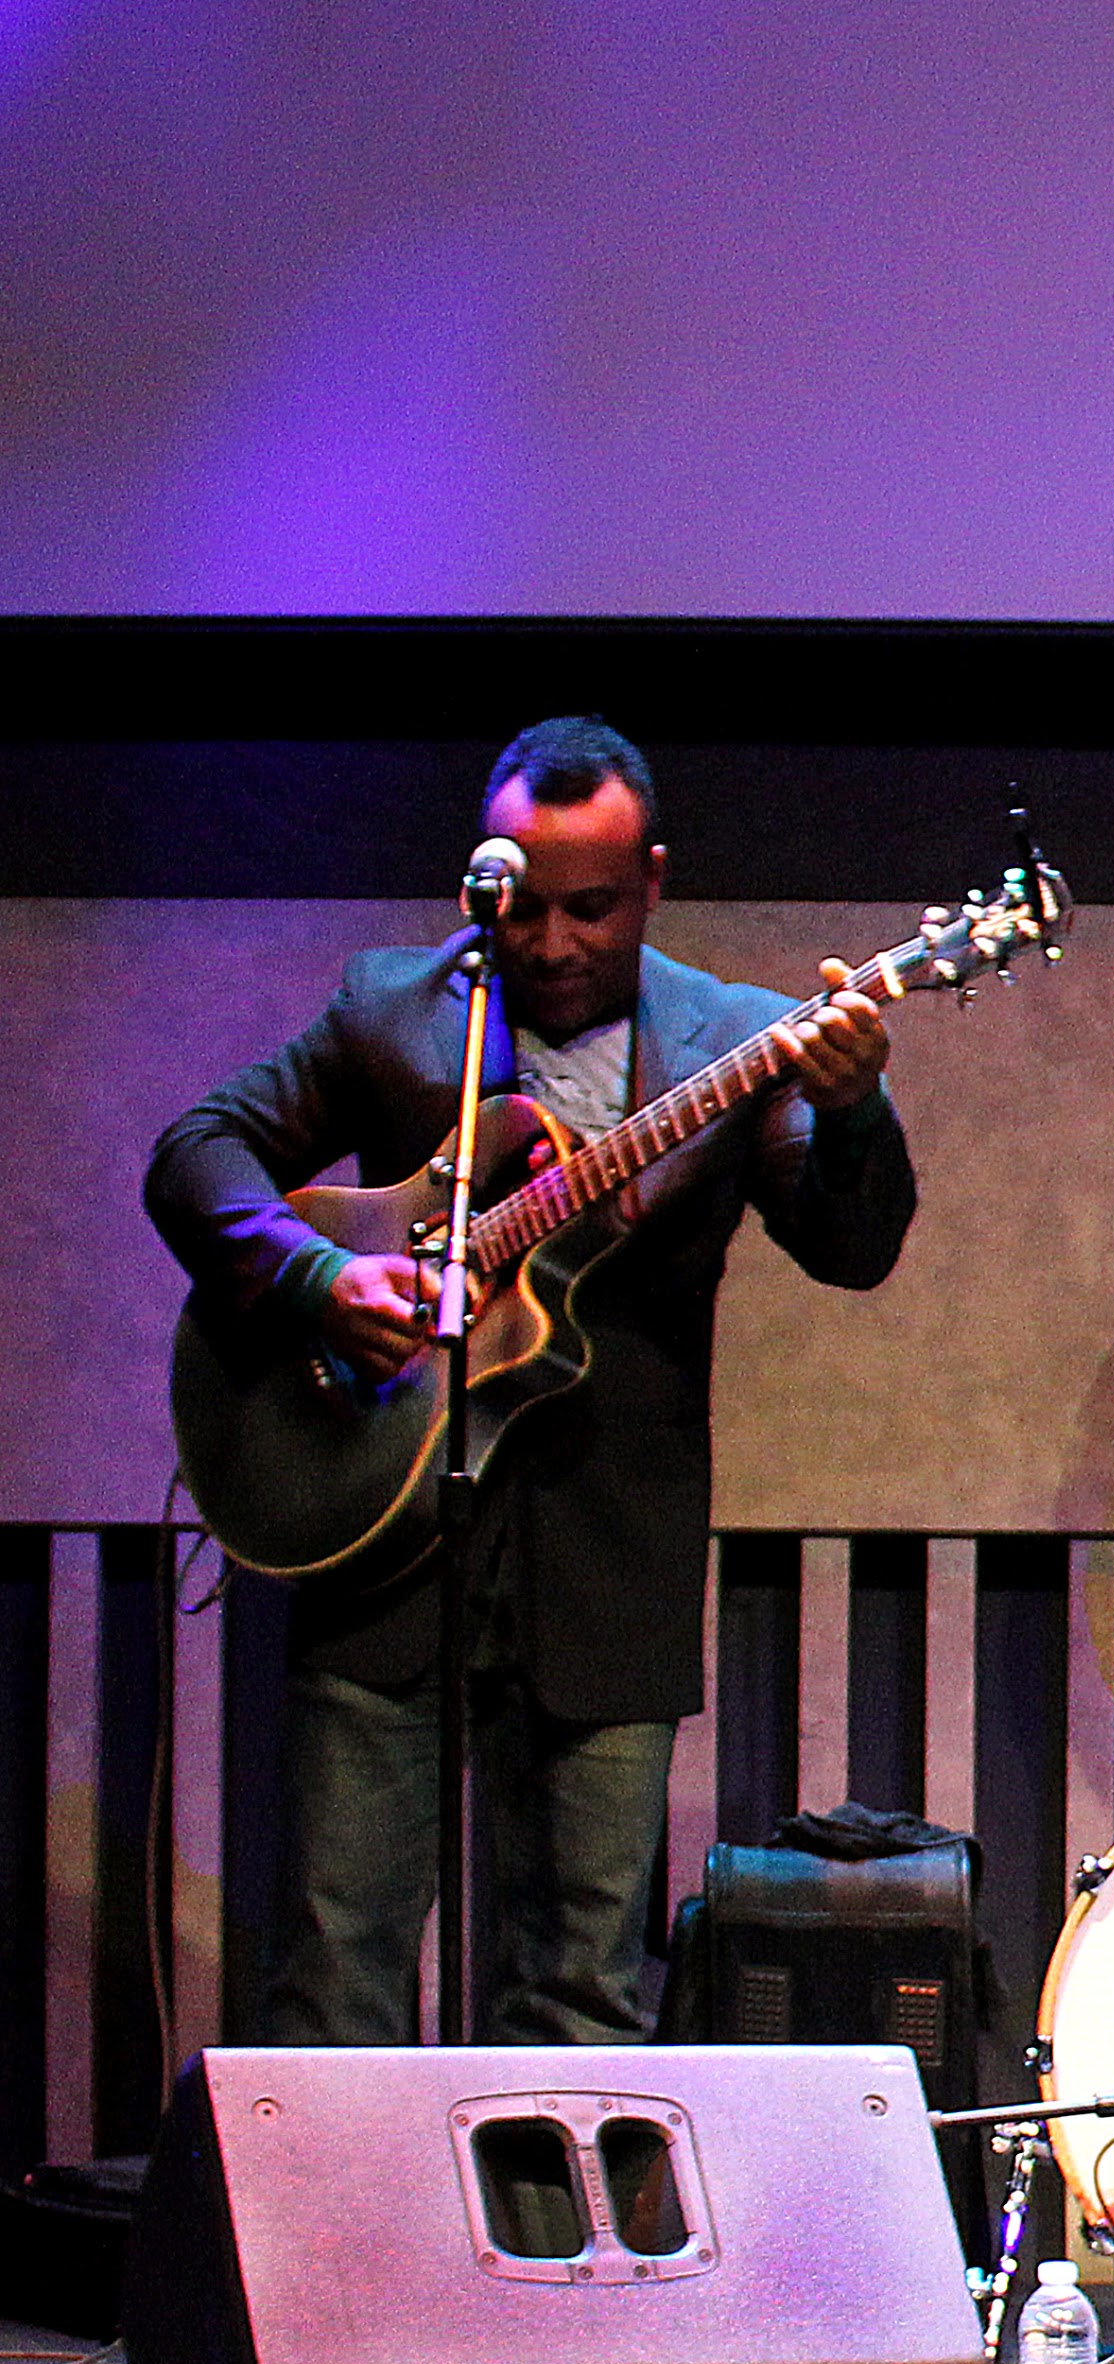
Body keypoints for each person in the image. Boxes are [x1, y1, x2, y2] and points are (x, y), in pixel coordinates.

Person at [145, 716, 911, 2043]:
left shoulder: (738, 1038)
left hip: (612, 1561)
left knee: (578, 1997)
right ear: (481, 885)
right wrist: (321, 1282)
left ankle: (554, 2254)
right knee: (336, 1987)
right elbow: (197, 1154)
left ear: (654, 882)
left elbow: (852, 1247)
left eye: (593, 910)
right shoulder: (391, 1009)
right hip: (375, 1535)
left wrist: (850, 1107)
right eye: (528, 908)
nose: (552, 945)